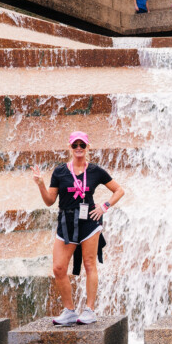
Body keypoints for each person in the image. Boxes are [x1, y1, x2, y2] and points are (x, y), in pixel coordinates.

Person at [33, 131, 125, 326]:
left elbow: (119, 190)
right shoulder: (59, 172)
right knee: (59, 268)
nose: (79, 148)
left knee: (90, 264)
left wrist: (104, 207)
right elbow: (50, 201)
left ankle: (89, 310)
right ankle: (69, 311)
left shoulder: (95, 171)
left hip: (89, 221)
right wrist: (41, 184)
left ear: (88, 146)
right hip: (66, 221)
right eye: (75, 145)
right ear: (70, 147)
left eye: (82, 144)